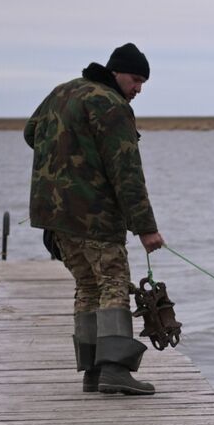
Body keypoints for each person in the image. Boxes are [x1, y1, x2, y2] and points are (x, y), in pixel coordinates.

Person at [24, 42, 164, 396]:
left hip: (54, 214)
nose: (138, 89)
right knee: (113, 282)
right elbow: (126, 171)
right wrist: (146, 228)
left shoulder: (62, 92)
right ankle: (115, 369)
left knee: (88, 286)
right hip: (94, 214)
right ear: (116, 73)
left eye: (143, 83)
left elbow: (31, 133)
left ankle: (92, 371)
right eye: (135, 80)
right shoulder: (111, 105)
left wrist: (68, 154)